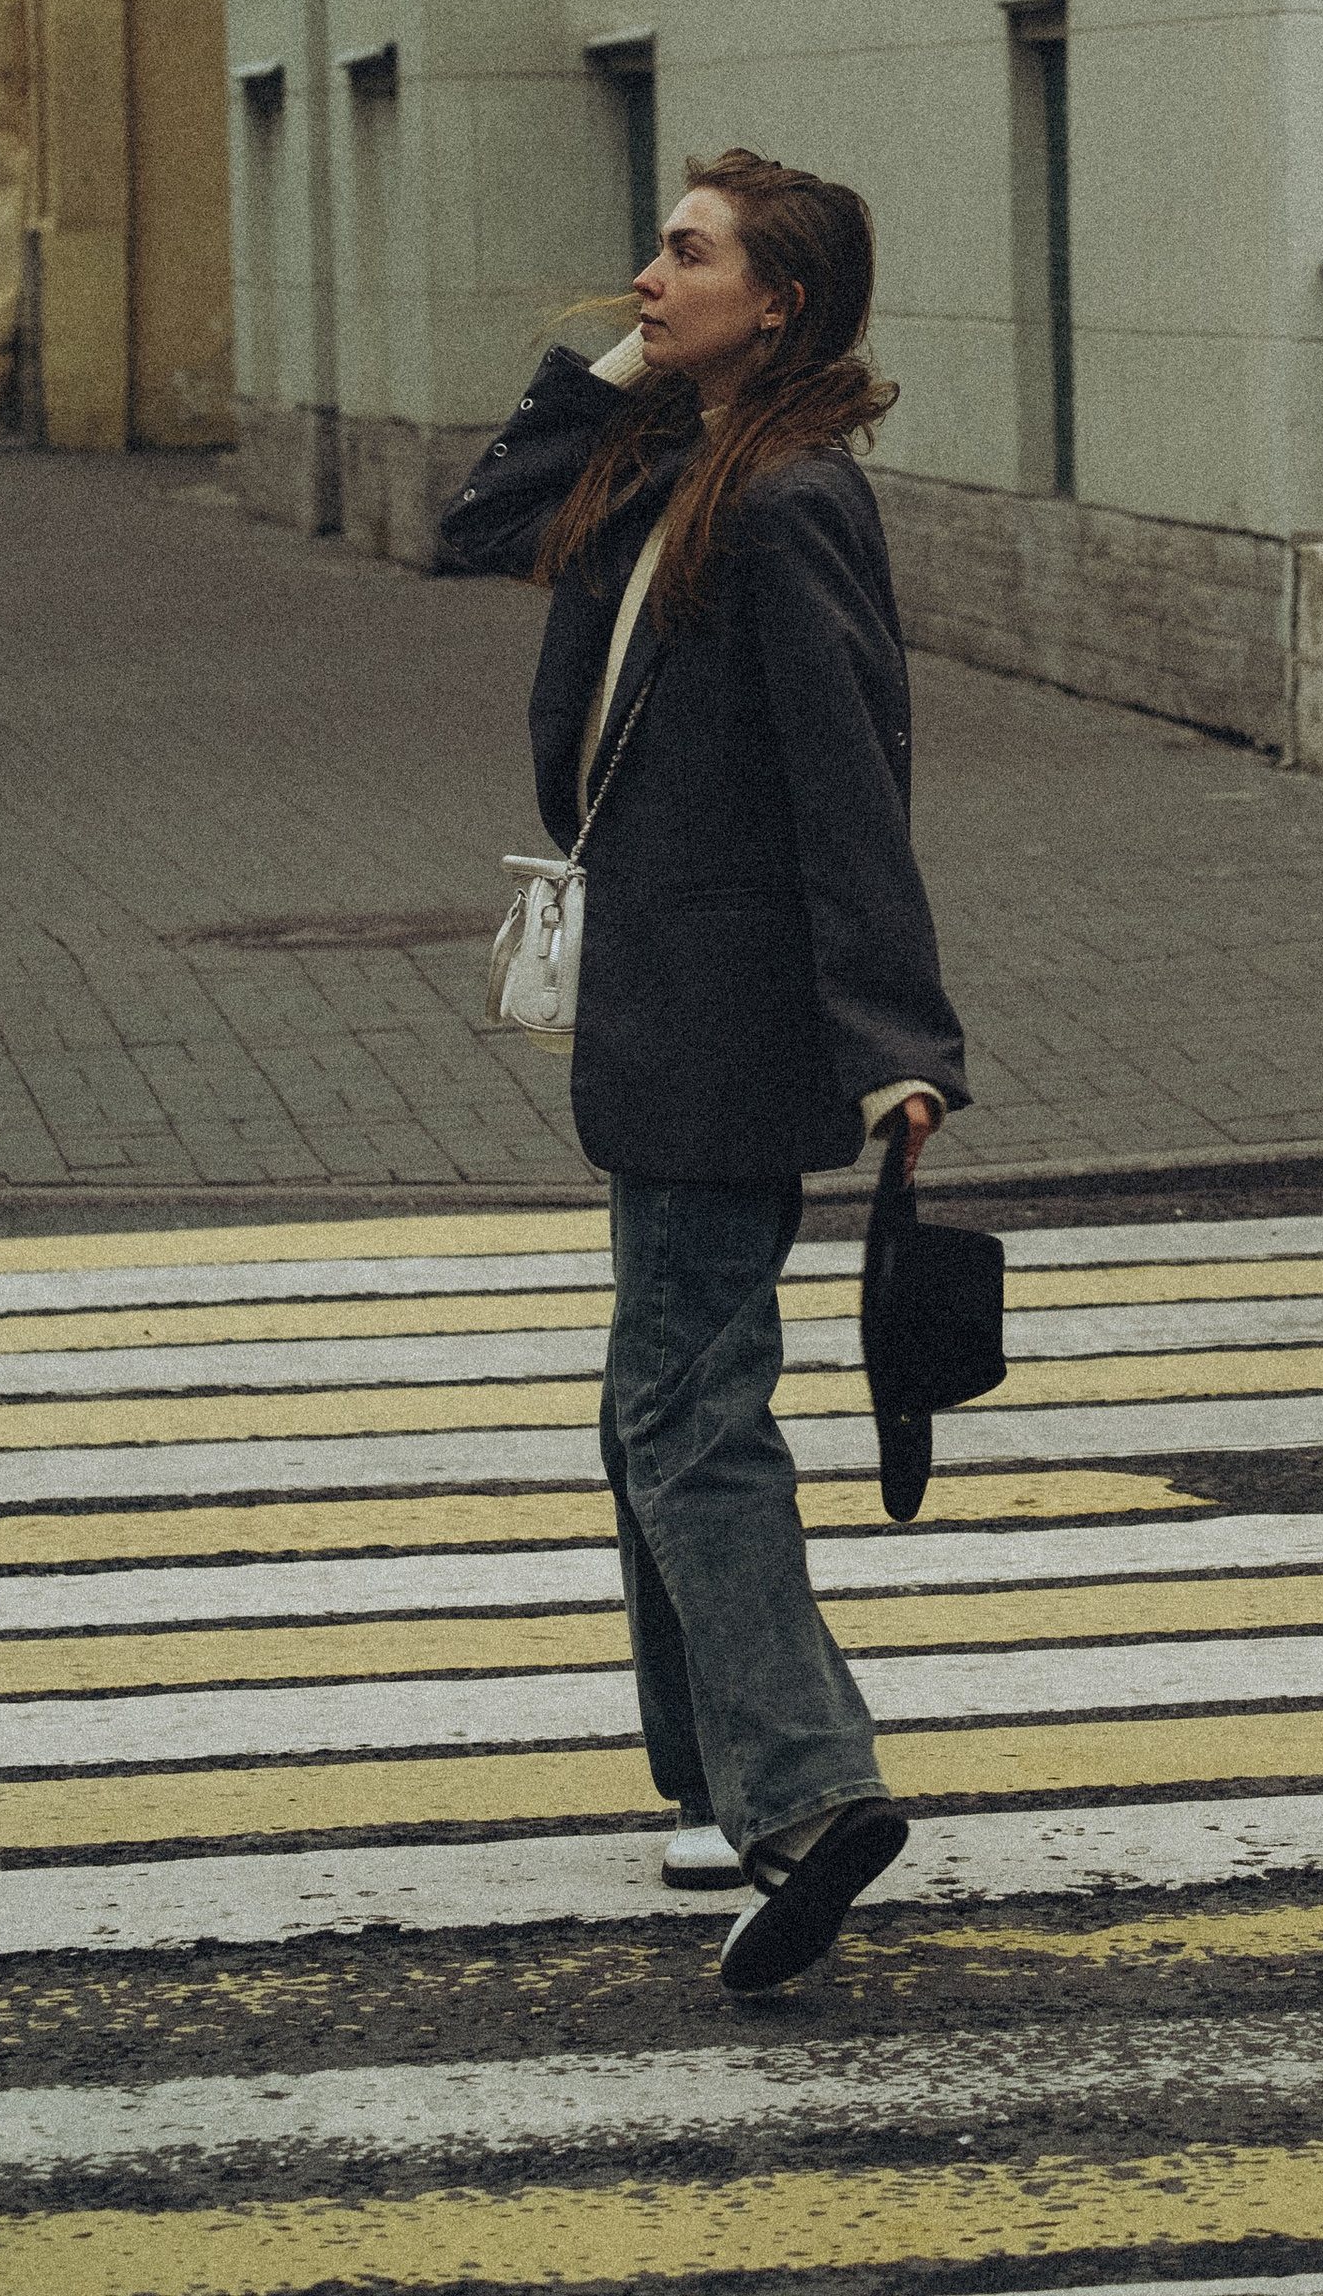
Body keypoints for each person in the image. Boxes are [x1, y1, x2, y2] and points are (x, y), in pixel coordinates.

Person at [440, 148, 968, 1995]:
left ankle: (807, 1796)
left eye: (685, 257)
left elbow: (854, 774)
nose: (646, 279)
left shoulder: (792, 499)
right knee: (652, 1397)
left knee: (687, 1411)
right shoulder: (683, 458)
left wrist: (897, 1048)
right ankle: (699, 1780)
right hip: (670, 1008)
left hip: (728, 1025)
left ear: (780, 301)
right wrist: (621, 370)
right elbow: (478, 521)